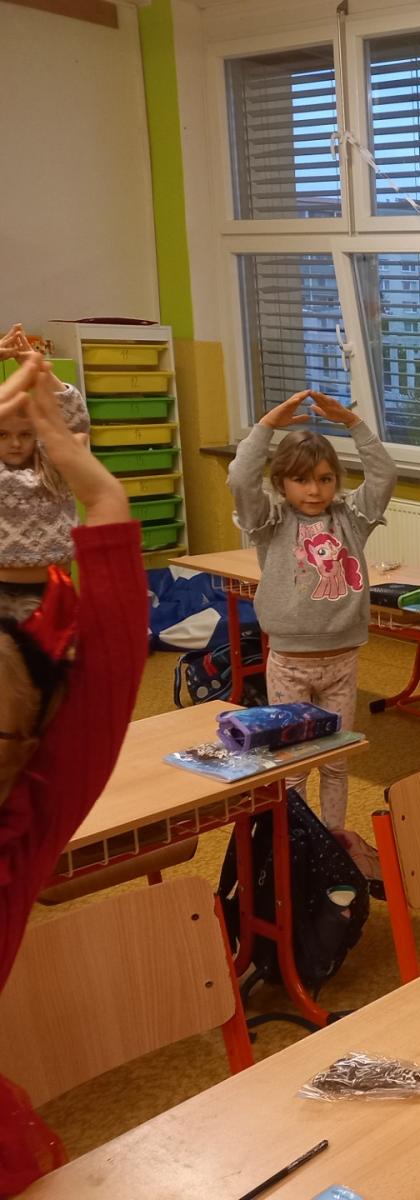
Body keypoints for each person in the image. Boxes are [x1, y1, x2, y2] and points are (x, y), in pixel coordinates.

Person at [0, 355, 145, 1194]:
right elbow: (115, 665)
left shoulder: (18, 831)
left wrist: (96, 490)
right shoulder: (25, 828)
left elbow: (112, 659)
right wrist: (104, 496)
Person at [227, 390, 396, 852]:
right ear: (281, 483)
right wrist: (266, 427)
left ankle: (331, 840)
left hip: (342, 661)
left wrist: (354, 424)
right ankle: (296, 844)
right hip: (290, 663)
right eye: (301, 480)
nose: (315, 491)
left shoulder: (351, 518)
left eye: (324, 479)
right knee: (294, 763)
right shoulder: (269, 521)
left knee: (336, 760)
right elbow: (241, 478)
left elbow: (384, 474)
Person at [0, 325, 90, 624]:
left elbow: (76, 421)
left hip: (55, 588)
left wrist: (38, 369)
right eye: (3, 435)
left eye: (25, 434)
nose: (15, 443)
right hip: (3, 593)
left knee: (59, 654)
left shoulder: (51, 461)